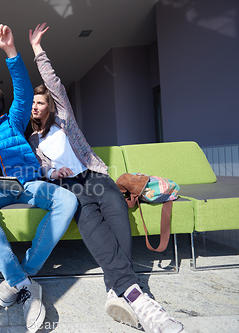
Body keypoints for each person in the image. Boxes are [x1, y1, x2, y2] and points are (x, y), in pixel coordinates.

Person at [27, 23, 185, 333]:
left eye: (40, 102)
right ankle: (135, 294)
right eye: (33, 103)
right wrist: (50, 172)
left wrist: (37, 50)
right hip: (70, 186)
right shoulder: (33, 141)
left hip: (95, 175)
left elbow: (53, 83)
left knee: (116, 214)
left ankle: (116, 288)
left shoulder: (65, 120)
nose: (35, 105)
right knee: (90, 224)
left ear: (51, 106)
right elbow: (40, 169)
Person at [0, 23, 78, 333]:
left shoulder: (11, 122)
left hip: (28, 184)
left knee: (67, 200)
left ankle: (23, 273)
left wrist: (11, 51)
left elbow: (24, 90)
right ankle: (19, 281)